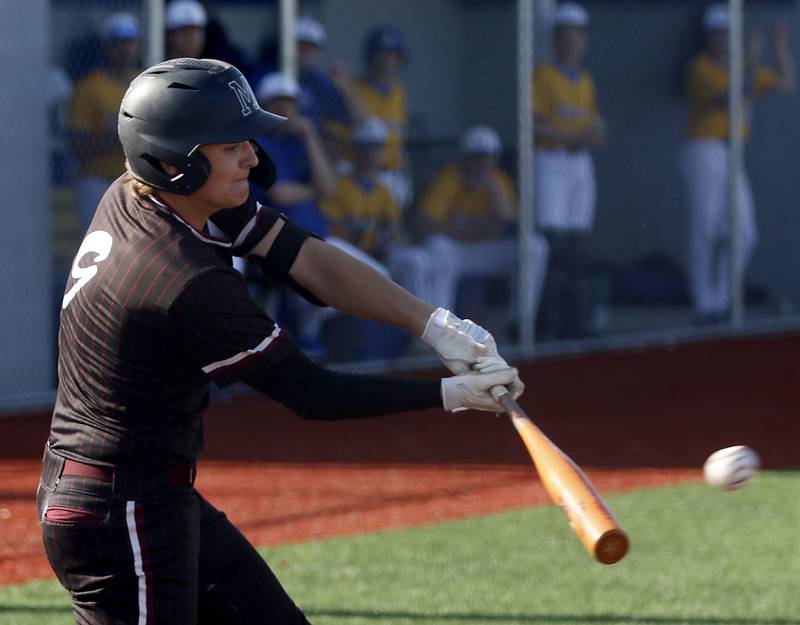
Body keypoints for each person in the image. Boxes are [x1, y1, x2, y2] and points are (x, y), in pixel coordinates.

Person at [38, 58, 522, 624]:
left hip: (144, 495)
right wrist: (452, 394)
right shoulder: (183, 278)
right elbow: (313, 394)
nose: (252, 156)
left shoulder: (145, 192)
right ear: (175, 163)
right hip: (118, 514)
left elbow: (307, 259)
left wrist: (433, 324)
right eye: (230, 145)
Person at [680, 3, 795, 324]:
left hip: (733, 153)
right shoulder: (701, 67)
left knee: (744, 232)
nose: (724, 40)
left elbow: (786, 82)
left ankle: (722, 301)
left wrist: (780, 44)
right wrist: (754, 58)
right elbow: (733, 94)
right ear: (709, 37)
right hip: (703, 148)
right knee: (705, 228)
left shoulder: (745, 64)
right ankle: (704, 303)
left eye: (729, 34)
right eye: (718, 34)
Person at [417, 125, 549, 327]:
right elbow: (425, 223)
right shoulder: (449, 178)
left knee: (535, 246)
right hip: (456, 252)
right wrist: (477, 229)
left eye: (487, 157)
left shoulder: (499, 181)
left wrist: (494, 195)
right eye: (476, 157)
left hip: (485, 253)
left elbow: (508, 227)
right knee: (437, 246)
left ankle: (521, 323)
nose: (481, 164)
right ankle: (441, 328)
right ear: (464, 158)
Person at [532, 2, 605, 340]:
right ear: (556, 39)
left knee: (578, 244)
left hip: (579, 163)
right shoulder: (543, 74)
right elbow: (534, 126)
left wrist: (594, 134)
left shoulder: (586, 79)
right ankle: (546, 322)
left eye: (576, 35)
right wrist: (578, 135)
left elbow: (595, 126)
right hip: (551, 160)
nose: (571, 41)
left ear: (585, 40)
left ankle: (575, 322)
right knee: (552, 243)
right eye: (564, 35)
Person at [68, 12, 142, 229]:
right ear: (105, 47)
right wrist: (122, 133)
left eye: (130, 42)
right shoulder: (89, 87)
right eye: (118, 43)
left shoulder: (147, 81)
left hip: (139, 183)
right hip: (97, 183)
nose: (125, 49)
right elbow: (77, 146)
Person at [332, 25, 413, 210]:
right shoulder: (351, 89)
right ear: (370, 57)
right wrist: (345, 87)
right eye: (381, 54)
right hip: (357, 175)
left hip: (391, 174)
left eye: (393, 55)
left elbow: (398, 136)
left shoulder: (398, 91)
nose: (387, 61)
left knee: (391, 233)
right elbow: (369, 127)